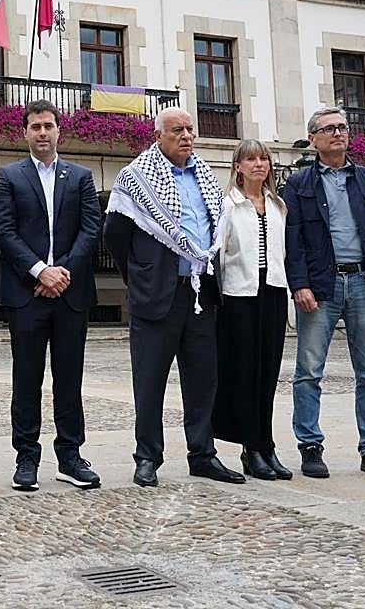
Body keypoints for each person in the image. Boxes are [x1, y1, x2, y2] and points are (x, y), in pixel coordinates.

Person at [104, 106, 244, 487]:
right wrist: (141, 277)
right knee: (149, 381)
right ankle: (147, 456)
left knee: (202, 381)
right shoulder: (135, 178)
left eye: (189, 129)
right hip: (157, 295)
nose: (186, 136)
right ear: (158, 136)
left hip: (202, 295)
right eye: (176, 130)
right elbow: (115, 237)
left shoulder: (206, 178)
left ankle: (202, 454)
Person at [284, 107, 365, 481]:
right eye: (329, 129)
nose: (338, 133)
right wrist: (299, 284)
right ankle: (310, 446)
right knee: (308, 371)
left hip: (364, 283)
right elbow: (293, 240)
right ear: (313, 139)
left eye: (342, 127)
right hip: (320, 287)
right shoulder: (299, 184)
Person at [0, 99, 102, 492]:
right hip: (27, 293)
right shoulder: (9, 176)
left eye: (48, 126)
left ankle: (70, 457)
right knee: (27, 379)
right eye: (35, 126)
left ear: (59, 131)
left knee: (69, 379)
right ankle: (26, 458)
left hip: (70, 293)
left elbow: (92, 229)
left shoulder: (81, 177)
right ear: (25, 132)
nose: (42, 132)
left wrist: (62, 273)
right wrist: (41, 270)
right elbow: (3, 231)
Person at [212, 139, 292, 481]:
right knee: (244, 373)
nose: (259, 164)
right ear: (238, 167)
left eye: (264, 158)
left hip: (272, 291)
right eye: (251, 159)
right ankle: (251, 448)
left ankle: (267, 444)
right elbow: (217, 252)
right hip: (239, 295)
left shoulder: (277, 205)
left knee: (268, 372)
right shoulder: (228, 205)